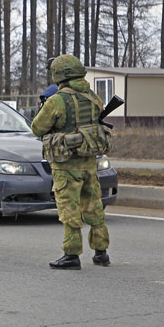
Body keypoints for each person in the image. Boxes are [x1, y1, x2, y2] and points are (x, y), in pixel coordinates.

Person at [30, 54, 111, 269]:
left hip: (65, 163)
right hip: (89, 161)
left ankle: (72, 254)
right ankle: (101, 252)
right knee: (94, 205)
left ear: (59, 75)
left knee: (69, 208)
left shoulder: (58, 100)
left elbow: (37, 128)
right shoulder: (93, 96)